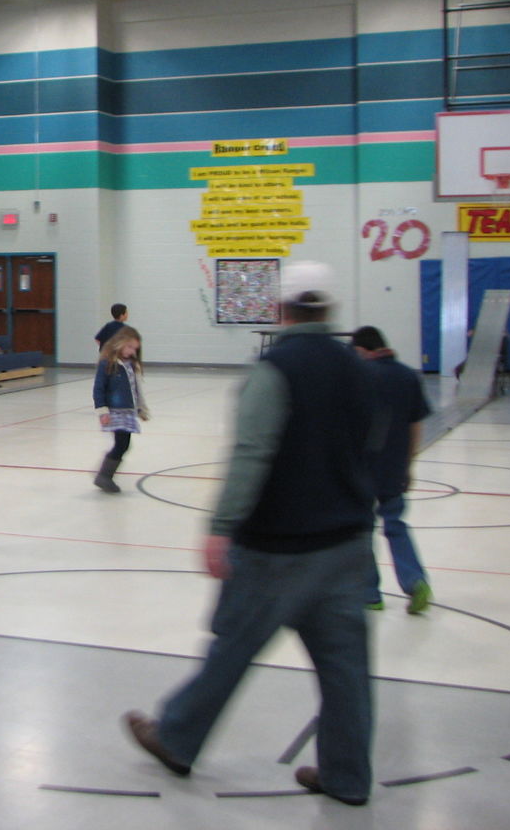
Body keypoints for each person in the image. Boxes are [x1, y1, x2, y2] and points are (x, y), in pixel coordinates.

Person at [123, 261, 376, 807]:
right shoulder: (359, 367)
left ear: (281, 309)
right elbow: (373, 444)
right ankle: (348, 776)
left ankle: (177, 737)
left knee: (233, 648)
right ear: (329, 309)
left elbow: (252, 453)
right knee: (347, 670)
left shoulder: (274, 370)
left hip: (277, 549)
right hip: (349, 546)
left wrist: (220, 527)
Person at [351, 325, 433, 614]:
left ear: (363, 350)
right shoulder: (408, 375)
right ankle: (415, 581)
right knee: (396, 525)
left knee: (362, 530)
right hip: (394, 466)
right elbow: (416, 425)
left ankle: (370, 593)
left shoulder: (360, 376)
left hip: (362, 467)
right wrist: (408, 466)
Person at [92, 327, 149, 493]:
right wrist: (102, 411)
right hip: (115, 411)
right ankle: (104, 476)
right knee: (122, 444)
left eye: (134, 349)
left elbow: (135, 389)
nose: (131, 352)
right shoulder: (107, 364)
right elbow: (98, 389)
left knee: (123, 444)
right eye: (129, 347)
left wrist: (140, 409)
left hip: (128, 411)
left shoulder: (132, 365)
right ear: (119, 343)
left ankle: (105, 475)